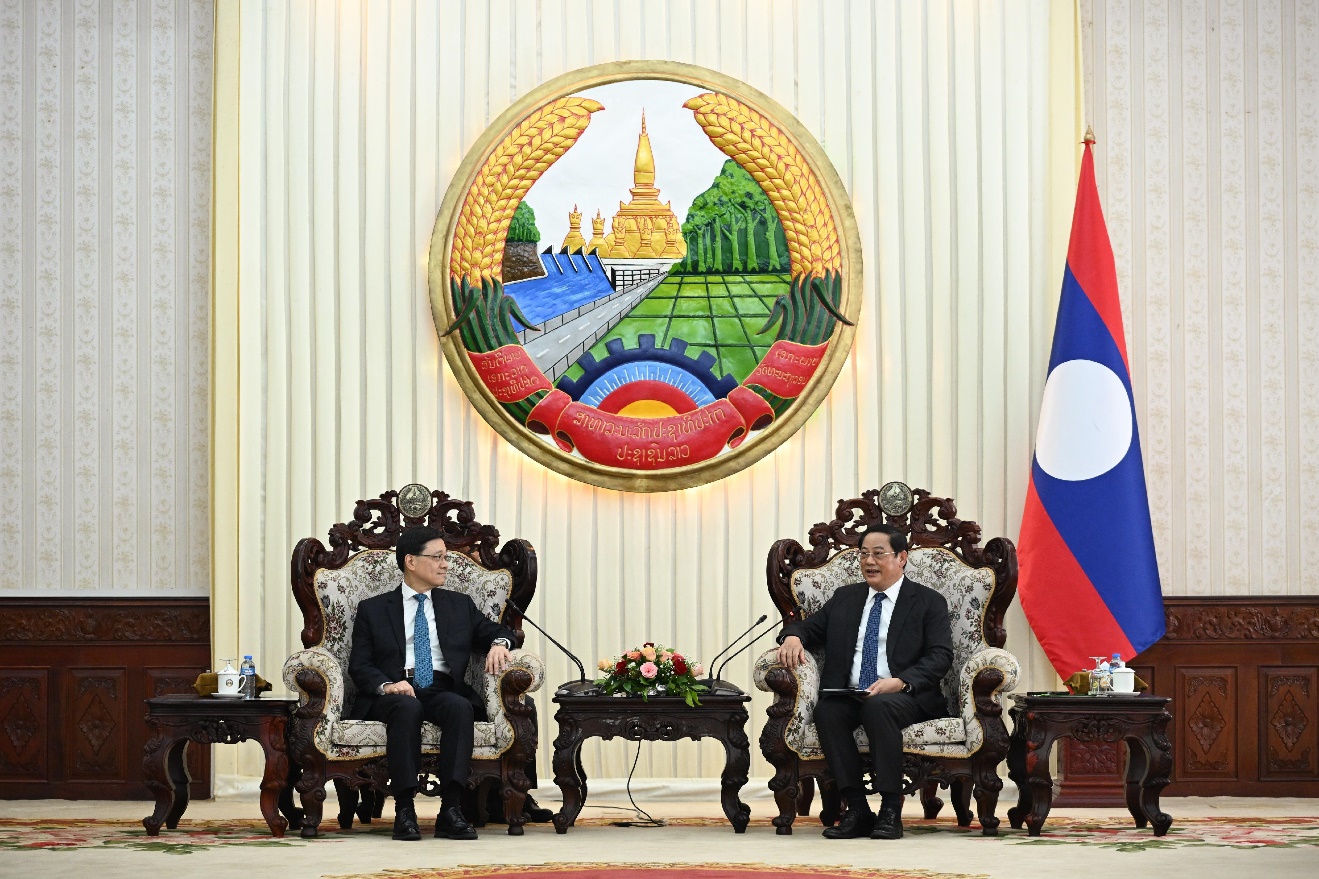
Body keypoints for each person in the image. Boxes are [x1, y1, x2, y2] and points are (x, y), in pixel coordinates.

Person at [776, 523, 953, 840]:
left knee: (879, 707)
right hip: (849, 692)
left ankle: (889, 811)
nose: (869, 562)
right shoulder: (846, 598)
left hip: (904, 696)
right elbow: (808, 628)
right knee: (827, 711)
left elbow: (940, 656)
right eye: (863, 554)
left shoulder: (927, 601)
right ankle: (857, 810)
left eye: (878, 554)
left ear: (901, 558)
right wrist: (792, 637)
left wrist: (900, 681)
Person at [348, 525, 518, 841]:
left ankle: (451, 810)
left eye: (446, 557)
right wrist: (388, 686)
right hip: (396, 690)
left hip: (441, 687)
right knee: (406, 707)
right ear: (411, 561)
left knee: (459, 706)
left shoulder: (459, 604)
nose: (445, 564)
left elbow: (498, 631)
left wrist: (499, 644)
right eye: (437, 557)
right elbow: (360, 665)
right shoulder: (373, 609)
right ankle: (404, 810)